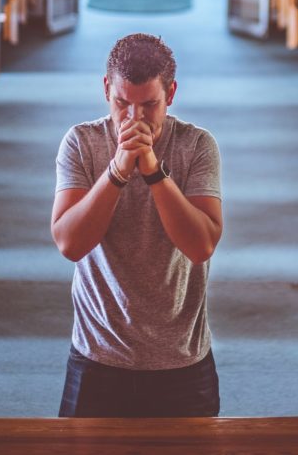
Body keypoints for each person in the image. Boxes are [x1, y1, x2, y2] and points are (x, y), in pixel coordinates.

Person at [51, 33, 223, 417]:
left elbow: (200, 246)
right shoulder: (81, 142)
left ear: (171, 94)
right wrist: (116, 171)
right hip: (98, 355)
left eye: (149, 105)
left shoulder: (196, 145)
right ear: (106, 89)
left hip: (181, 359)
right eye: (121, 104)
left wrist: (153, 172)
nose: (134, 119)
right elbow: (70, 244)